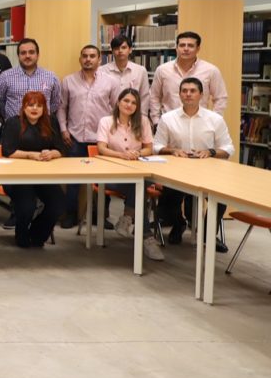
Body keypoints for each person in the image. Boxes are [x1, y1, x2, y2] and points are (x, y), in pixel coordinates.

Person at [153, 78, 234, 252]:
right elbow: (157, 146)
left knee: (220, 200)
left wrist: (211, 152)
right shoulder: (167, 118)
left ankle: (207, 235)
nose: (188, 94)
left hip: (207, 173)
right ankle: (179, 224)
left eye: (192, 91)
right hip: (177, 172)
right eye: (184, 91)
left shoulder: (215, 119)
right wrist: (172, 150)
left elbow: (228, 148)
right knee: (166, 205)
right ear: (179, 94)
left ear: (201, 95)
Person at [56, 45, 121, 229]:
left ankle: (100, 216)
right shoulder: (68, 81)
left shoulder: (110, 82)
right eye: (84, 56)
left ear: (99, 59)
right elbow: (62, 107)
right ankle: (71, 214)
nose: (88, 59)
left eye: (92, 56)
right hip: (74, 138)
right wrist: (63, 129)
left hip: (100, 140)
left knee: (102, 180)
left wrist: (112, 133)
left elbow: (116, 109)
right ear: (80, 59)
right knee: (73, 179)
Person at [96, 88, 161, 260]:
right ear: (118, 102)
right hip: (112, 174)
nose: (129, 105)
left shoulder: (143, 121)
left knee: (141, 182)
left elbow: (149, 148)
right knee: (139, 187)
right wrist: (121, 155)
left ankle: (127, 217)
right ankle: (147, 238)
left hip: (137, 171)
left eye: (134, 103)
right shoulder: (106, 121)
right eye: (126, 101)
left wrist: (137, 153)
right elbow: (101, 148)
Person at [0, 91, 66, 248]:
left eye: (39, 105)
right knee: (27, 206)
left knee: (58, 203)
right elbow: (8, 151)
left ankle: (37, 234)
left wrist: (52, 154)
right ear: (23, 107)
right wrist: (31, 155)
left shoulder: (51, 122)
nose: (34, 108)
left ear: (44, 108)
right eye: (30, 105)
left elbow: (61, 149)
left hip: (43, 177)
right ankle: (21, 234)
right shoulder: (13, 123)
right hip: (17, 177)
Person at [149, 31, 228, 124]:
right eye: (182, 45)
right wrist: (156, 121)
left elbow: (220, 97)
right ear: (176, 48)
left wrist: (214, 121)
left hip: (199, 124)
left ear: (198, 49)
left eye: (190, 46)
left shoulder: (211, 70)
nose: (186, 49)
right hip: (170, 124)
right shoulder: (162, 70)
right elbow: (154, 97)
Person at [0, 38, 61, 124]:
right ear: (18, 56)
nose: (27, 56)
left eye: (31, 52)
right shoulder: (5, 77)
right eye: (23, 53)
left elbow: (55, 103)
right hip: (15, 127)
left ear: (38, 55)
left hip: (42, 127)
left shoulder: (51, 77)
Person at [99, 35, 150, 125]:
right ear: (112, 51)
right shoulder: (102, 71)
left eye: (123, 47)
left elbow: (144, 97)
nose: (120, 51)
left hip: (133, 118)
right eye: (116, 48)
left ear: (130, 50)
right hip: (109, 118)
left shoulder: (140, 70)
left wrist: (142, 119)